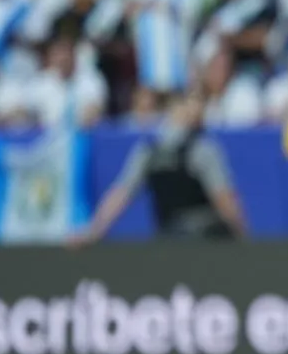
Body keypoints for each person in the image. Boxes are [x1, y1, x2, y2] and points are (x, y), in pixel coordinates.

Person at [69, 93, 247, 245]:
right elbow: (224, 200)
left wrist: (93, 232)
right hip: (205, 242)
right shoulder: (203, 150)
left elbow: (121, 193)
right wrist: (243, 236)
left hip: (168, 240)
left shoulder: (149, 151)